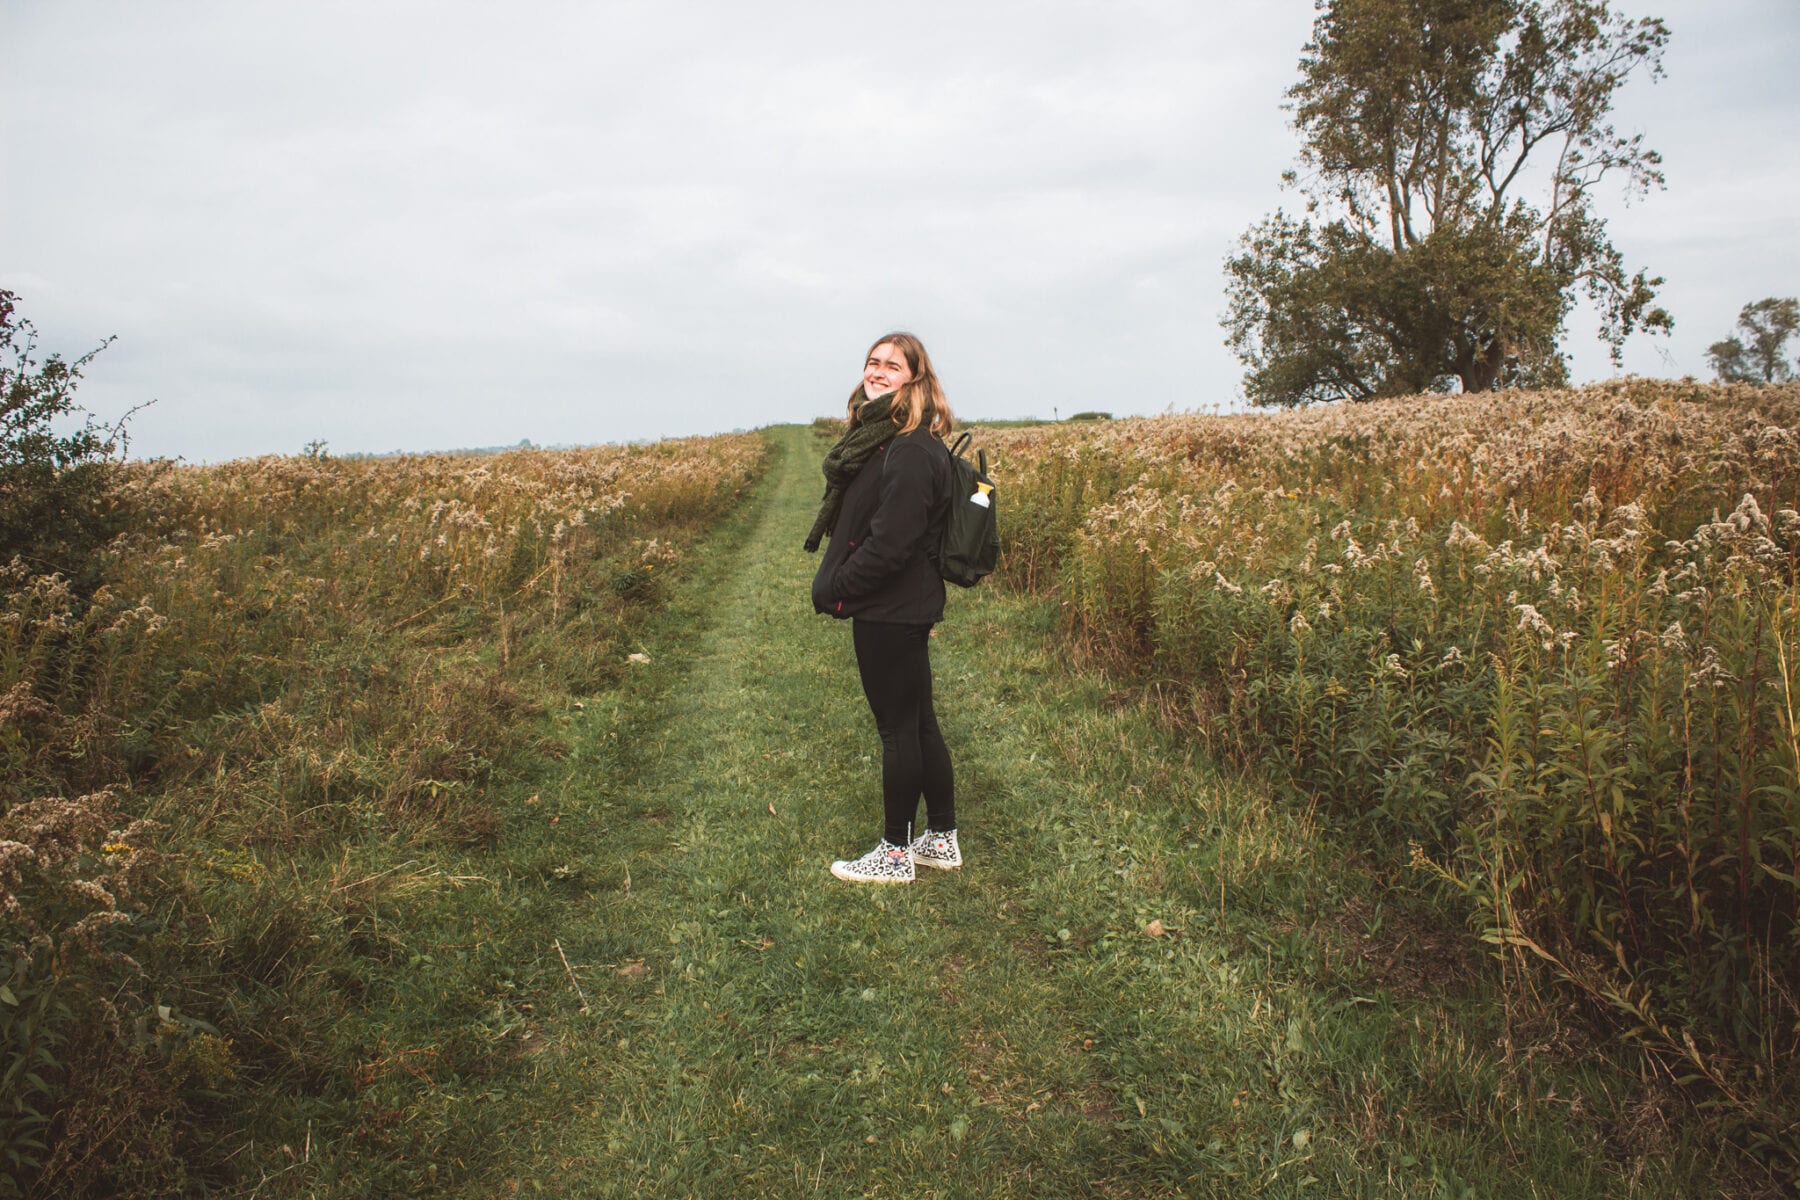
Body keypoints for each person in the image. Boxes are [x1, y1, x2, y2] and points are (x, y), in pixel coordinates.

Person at [806, 332, 962, 883]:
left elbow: (892, 542)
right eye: (873, 362)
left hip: (891, 609)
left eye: (892, 365)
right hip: (901, 604)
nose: (878, 371)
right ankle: (940, 839)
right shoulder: (890, 439)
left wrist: (839, 588)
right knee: (918, 724)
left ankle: (896, 853)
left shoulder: (912, 448)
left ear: (915, 380)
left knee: (898, 729)